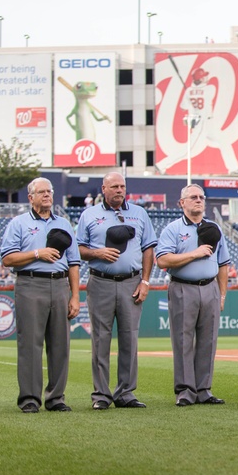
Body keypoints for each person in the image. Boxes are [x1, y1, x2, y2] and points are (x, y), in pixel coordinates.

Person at [76, 172, 157, 410]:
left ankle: (126, 393)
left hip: (131, 282)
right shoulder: (89, 214)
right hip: (100, 281)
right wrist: (97, 253)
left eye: (122, 186)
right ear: (104, 188)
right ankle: (101, 394)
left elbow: (148, 249)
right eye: (114, 186)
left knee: (129, 339)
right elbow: (78, 249)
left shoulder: (139, 213)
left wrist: (145, 281)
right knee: (100, 339)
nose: (119, 190)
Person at [0, 177, 81, 413]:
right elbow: (7, 258)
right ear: (30, 197)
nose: (47, 195)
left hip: (59, 285)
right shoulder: (19, 223)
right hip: (30, 284)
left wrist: (75, 296)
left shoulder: (64, 224)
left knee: (60, 345)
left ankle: (56, 398)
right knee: (30, 345)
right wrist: (37, 253)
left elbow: (74, 262)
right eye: (42, 192)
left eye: (50, 191)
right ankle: (29, 399)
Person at [156, 184, 230, 406]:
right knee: (183, 340)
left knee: (208, 340)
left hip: (210, 287)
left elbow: (223, 263)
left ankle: (203, 389)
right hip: (182, 287)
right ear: (182, 203)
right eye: (193, 197)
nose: (198, 200)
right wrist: (194, 254)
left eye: (201, 197)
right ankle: (186, 390)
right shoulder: (173, 229)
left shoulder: (214, 228)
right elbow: (162, 260)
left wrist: (223, 295)